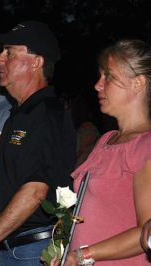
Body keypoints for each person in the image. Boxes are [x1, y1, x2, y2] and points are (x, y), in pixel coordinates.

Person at [0, 20, 76, 266]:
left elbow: (35, 191)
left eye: (9, 52)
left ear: (36, 61)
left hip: (33, 251)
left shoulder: (47, 113)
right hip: (12, 248)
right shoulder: (19, 115)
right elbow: (4, 184)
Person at [60, 39, 151, 265]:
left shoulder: (146, 145)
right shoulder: (106, 140)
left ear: (138, 83)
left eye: (108, 76)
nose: (97, 85)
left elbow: (147, 234)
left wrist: (83, 255)